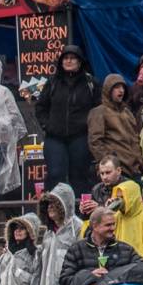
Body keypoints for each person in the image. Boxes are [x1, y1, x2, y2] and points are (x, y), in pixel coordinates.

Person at [33, 45, 96, 195]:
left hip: (80, 136)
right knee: (55, 174)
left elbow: (98, 108)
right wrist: (47, 125)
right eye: (65, 58)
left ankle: (80, 212)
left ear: (80, 62)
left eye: (72, 58)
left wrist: (88, 127)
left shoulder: (90, 83)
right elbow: (40, 107)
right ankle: (53, 212)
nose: (68, 61)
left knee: (79, 176)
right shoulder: (53, 82)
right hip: (55, 137)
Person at [88, 74, 143, 181]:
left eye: (123, 87)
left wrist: (140, 162)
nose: (121, 90)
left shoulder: (127, 112)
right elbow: (95, 142)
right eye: (117, 87)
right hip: (115, 171)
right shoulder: (99, 112)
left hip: (134, 169)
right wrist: (110, 164)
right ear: (108, 90)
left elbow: (135, 139)